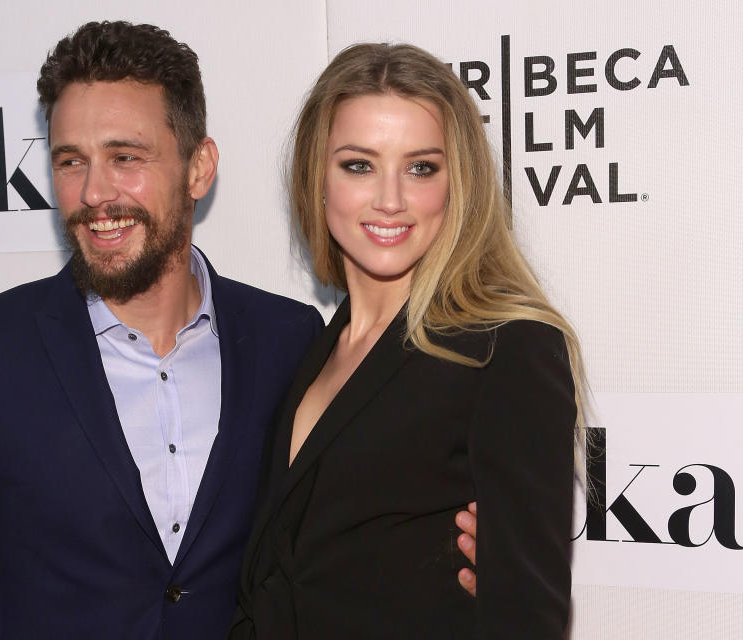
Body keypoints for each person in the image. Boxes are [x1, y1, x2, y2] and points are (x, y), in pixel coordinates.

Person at [0, 23, 478, 640]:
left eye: (125, 158)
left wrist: (474, 561)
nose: (94, 193)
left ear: (198, 168)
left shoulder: (290, 340)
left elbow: (343, 541)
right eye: (71, 161)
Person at [232, 42, 585, 639]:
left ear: (459, 183)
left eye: (421, 166)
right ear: (317, 178)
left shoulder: (509, 347)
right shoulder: (315, 348)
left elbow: (526, 617)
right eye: (359, 164)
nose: (390, 198)